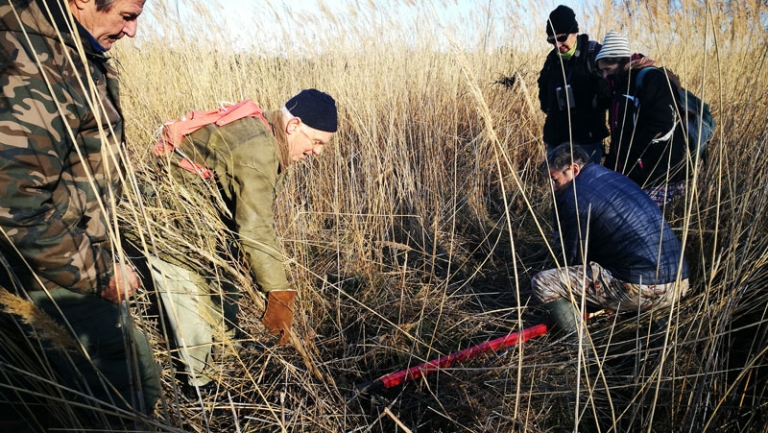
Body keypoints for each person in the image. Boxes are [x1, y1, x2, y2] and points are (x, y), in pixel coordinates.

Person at [0, 0, 159, 428]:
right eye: (126, 16)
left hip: (62, 255)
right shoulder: (36, 63)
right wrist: (100, 271)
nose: (132, 32)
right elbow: (14, 206)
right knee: (126, 390)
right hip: (40, 272)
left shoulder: (72, 50)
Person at [146, 89, 338, 396]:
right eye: (316, 142)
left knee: (223, 301)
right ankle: (201, 392)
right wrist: (279, 296)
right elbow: (256, 228)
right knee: (190, 311)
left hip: (197, 225)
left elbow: (241, 211)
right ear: (293, 126)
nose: (317, 153)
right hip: (165, 226)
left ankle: (230, 363)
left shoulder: (267, 135)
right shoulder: (260, 148)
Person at [532, 144, 689, 335]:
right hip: (680, 281)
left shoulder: (575, 198)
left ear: (574, 169)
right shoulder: (609, 176)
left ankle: (581, 352)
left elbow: (572, 257)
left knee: (543, 283)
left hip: (644, 287)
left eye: (554, 180)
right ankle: (656, 325)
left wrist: (584, 300)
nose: (552, 188)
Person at [595, 30, 689, 207]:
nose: (605, 76)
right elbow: (619, 136)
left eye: (608, 69)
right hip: (634, 173)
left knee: (650, 228)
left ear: (622, 61)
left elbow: (662, 124)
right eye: (602, 72)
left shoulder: (651, 79)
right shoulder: (619, 87)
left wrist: (631, 155)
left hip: (657, 176)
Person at [537, 5, 609, 164]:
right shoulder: (551, 61)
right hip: (556, 139)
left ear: (575, 32)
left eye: (561, 38)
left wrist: (594, 103)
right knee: (559, 186)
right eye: (552, 40)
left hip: (587, 141)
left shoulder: (593, 54)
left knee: (588, 185)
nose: (557, 45)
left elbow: (611, 90)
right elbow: (543, 95)